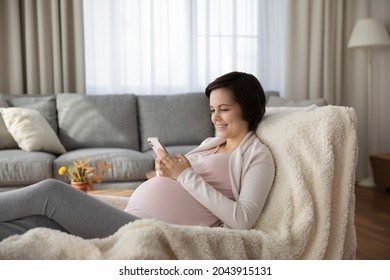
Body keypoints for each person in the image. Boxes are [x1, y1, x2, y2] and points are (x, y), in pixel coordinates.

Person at [0, 71, 275, 241]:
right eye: (212, 109)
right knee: (37, 224)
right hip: (129, 214)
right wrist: (167, 172)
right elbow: (185, 186)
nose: (215, 117)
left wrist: (185, 175)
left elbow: (242, 219)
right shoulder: (210, 143)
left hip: (146, 228)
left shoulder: (256, 156)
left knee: (51, 192)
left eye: (223, 109)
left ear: (248, 108)